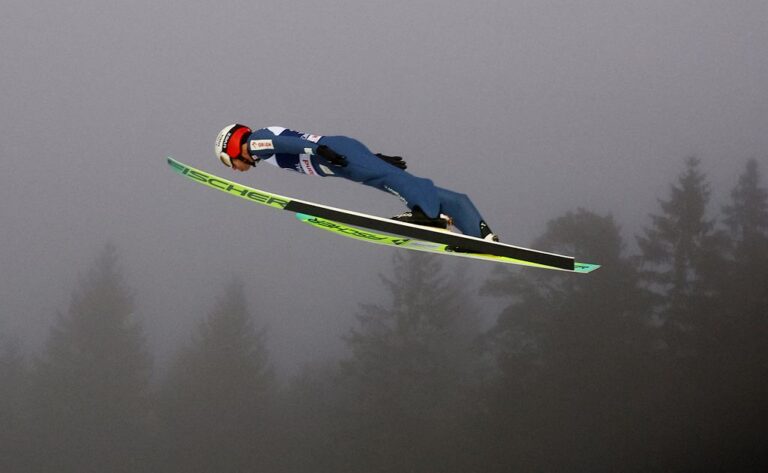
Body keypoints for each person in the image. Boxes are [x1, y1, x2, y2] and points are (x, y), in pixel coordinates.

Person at [215, 124, 499, 241]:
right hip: (338, 157)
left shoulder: (255, 143)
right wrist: (375, 157)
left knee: (389, 178)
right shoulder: (261, 147)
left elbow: (284, 142)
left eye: (228, 163)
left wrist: (319, 151)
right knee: (389, 178)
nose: (236, 170)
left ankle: (427, 215)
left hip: (333, 155)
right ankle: (479, 231)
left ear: (232, 147)